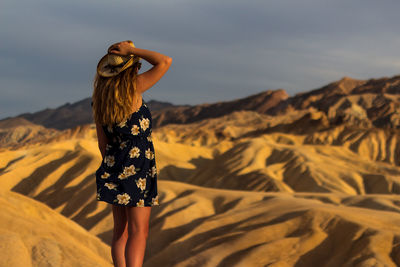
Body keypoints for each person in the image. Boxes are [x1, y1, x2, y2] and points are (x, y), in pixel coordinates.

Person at [91, 40, 172, 267]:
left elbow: (102, 143)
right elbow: (165, 61)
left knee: (120, 231)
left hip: (113, 163)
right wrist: (132, 51)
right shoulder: (133, 89)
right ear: (131, 68)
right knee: (139, 232)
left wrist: (114, 164)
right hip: (138, 166)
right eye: (136, 65)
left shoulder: (99, 99)